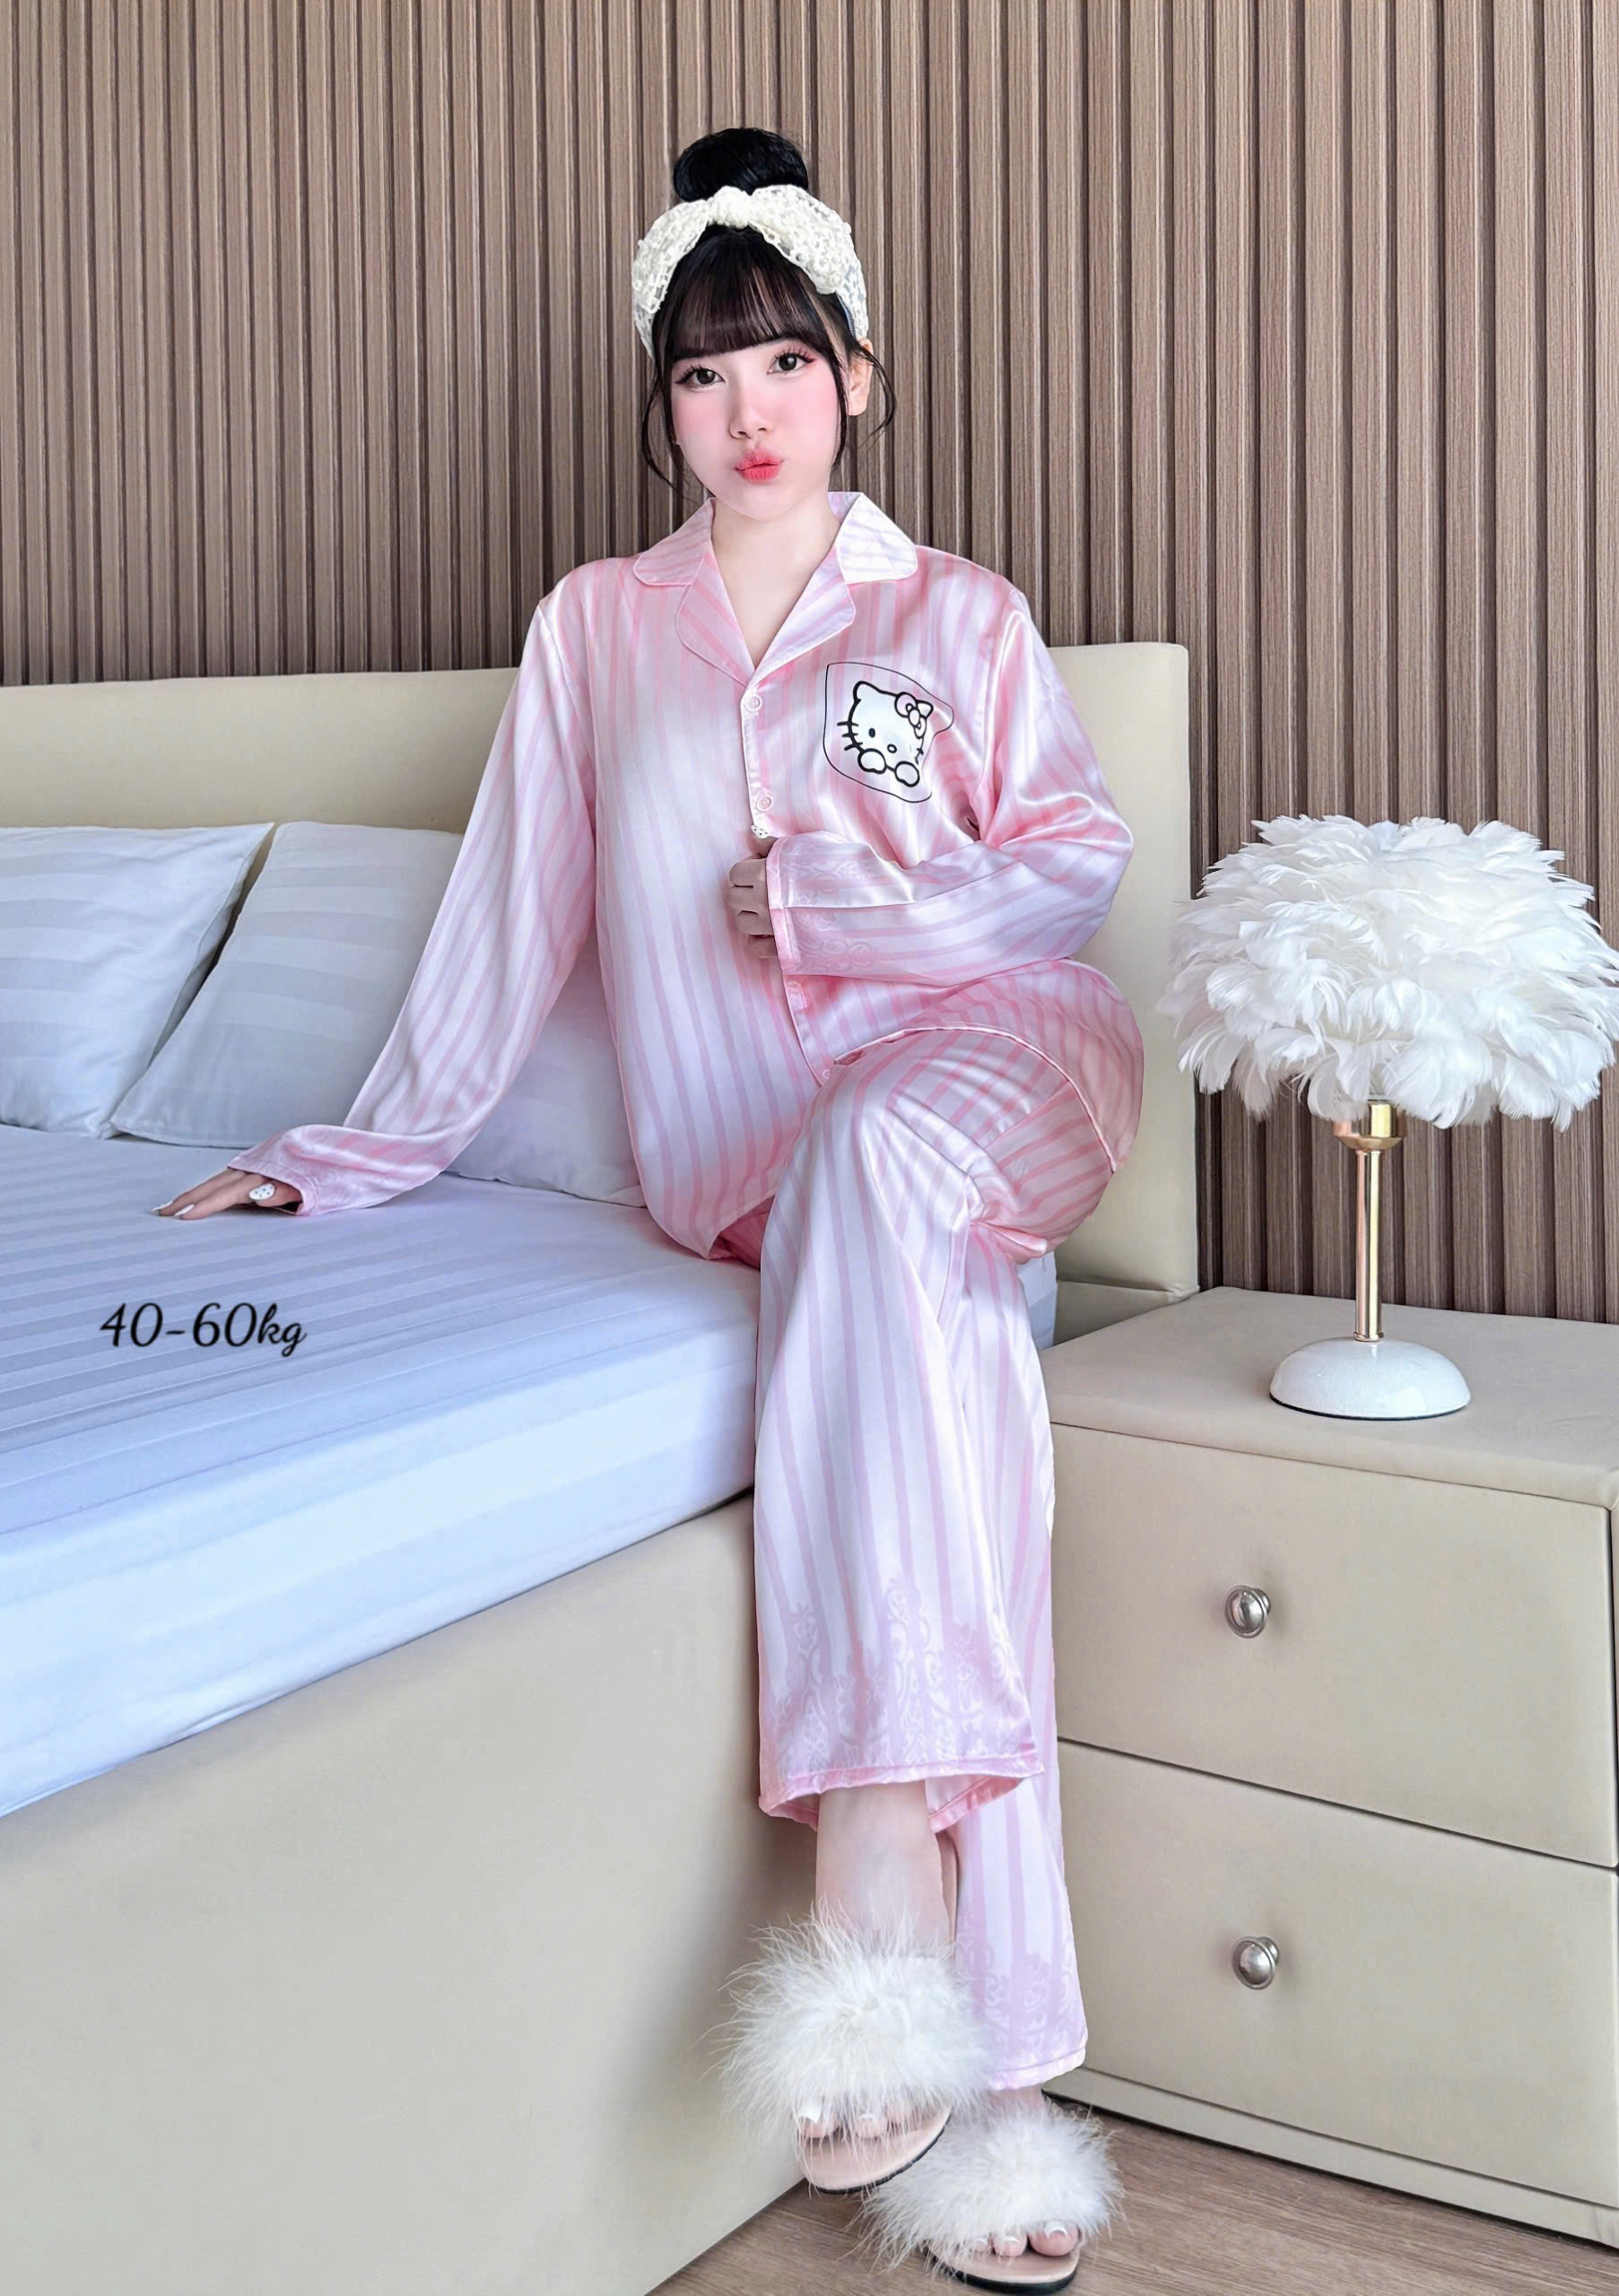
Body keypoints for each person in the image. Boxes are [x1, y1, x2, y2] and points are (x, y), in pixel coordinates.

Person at [153, 124, 1141, 2287]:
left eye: (782, 361)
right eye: (700, 375)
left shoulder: (949, 614)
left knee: (885, 1173)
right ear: (661, 401)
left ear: (857, 374)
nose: (745, 411)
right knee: (927, 1334)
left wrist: (852, 910)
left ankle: (871, 1864)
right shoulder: (597, 634)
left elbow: (1069, 866)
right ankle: (999, 2076)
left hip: (1006, 1069)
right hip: (763, 1164)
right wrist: (345, 1151)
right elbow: (505, 923)